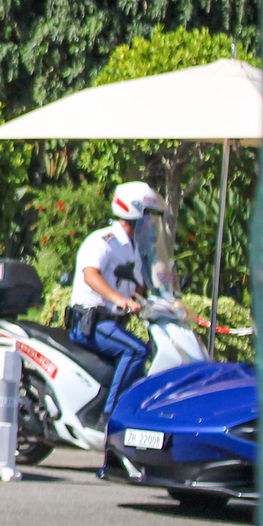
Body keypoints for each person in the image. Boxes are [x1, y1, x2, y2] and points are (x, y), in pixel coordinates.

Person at [69, 181, 168, 422]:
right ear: (134, 215)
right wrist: (121, 300)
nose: (151, 224)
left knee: (147, 351)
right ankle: (110, 416)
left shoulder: (132, 247)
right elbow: (90, 275)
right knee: (136, 351)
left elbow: (135, 285)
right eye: (148, 217)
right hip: (90, 323)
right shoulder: (103, 240)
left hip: (112, 325)